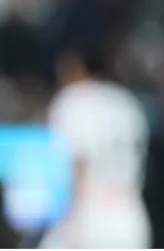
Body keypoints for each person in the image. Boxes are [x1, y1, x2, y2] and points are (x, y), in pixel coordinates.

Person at [39, 48, 151, 249]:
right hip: (131, 213)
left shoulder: (75, 99)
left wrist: (71, 222)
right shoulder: (127, 102)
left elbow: (79, 161)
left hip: (90, 213)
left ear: (80, 68)